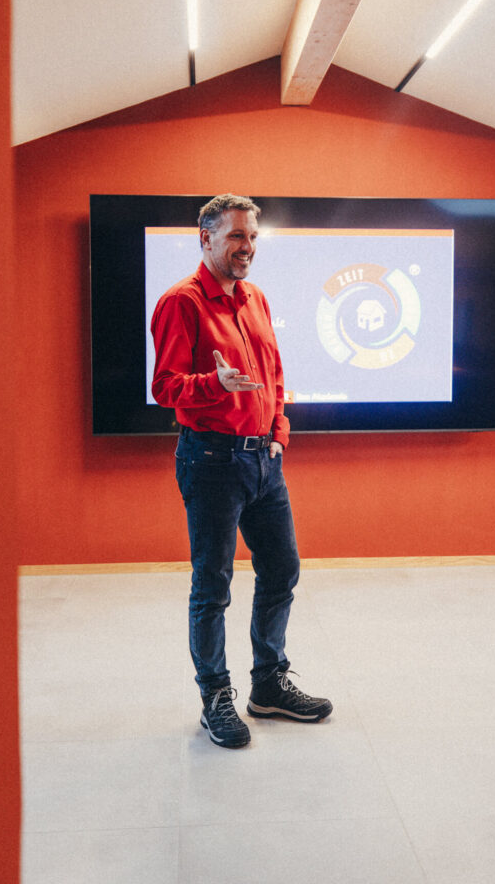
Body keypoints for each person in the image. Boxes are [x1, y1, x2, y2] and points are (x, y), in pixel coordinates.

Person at [150, 193, 332, 748]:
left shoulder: (253, 297)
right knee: (213, 587)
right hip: (211, 461)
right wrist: (214, 385)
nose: (246, 247)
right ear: (204, 239)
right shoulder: (181, 303)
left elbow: (275, 373)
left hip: (263, 462)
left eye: (251, 237)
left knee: (281, 570)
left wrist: (278, 433)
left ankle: (268, 686)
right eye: (235, 236)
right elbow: (164, 388)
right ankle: (215, 697)